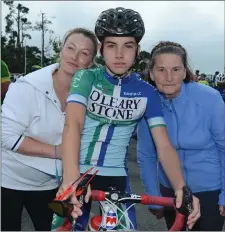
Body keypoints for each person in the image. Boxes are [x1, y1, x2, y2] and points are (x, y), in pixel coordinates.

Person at [57, 7, 200, 231]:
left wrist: (182, 187)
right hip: (76, 169)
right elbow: (73, 124)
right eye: (112, 46)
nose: (120, 54)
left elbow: (163, 145)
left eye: (128, 46)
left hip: (115, 175)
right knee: (62, 226)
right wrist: (71, 176)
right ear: (101, 49)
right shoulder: (85, 77)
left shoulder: (147, 92)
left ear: (137, 50)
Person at [1, 28, 98, 231]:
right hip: (8, 180)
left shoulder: (92, 95)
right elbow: (6, 137)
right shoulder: (28, 86)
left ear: (91, 63)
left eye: (84, 53)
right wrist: (58, 151)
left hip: (51, 184)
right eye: (70, 48)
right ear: (61, 51)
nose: (75, 56)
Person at [137, 41, 225, 231]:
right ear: (151, 74)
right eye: (161, 70)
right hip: (169, 190)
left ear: (185, 71)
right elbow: (146, 154)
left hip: (209, 190)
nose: (169, 77)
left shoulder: (210, 98)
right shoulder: (147, 102)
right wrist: (154, 197)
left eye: (176, 69)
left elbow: (224, 147)